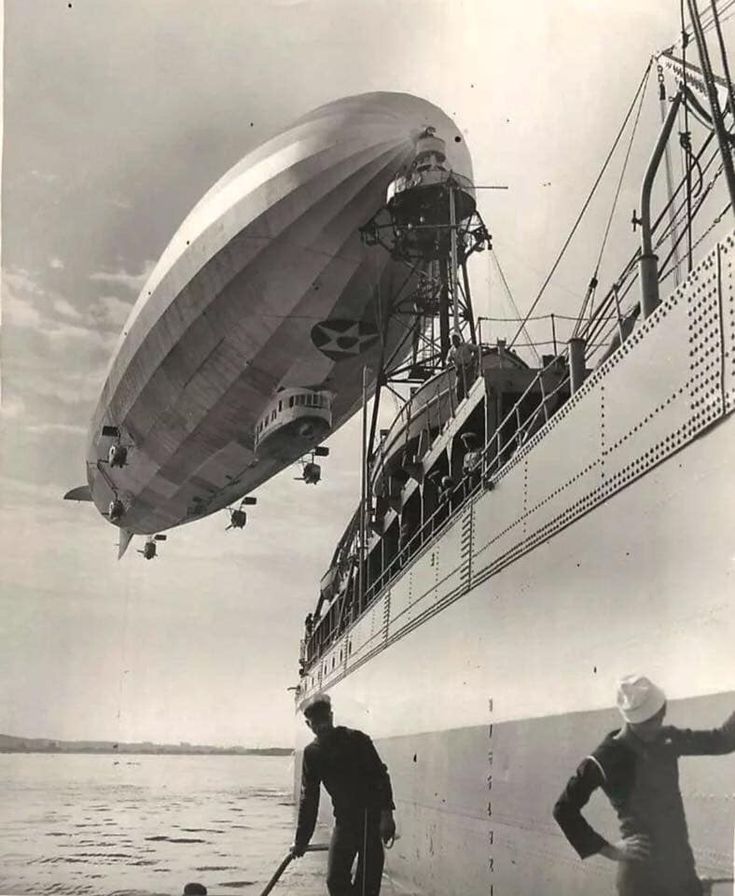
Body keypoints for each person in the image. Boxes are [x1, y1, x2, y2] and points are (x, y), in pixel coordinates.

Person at [553, 675, 735, 896]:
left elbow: (722, 740)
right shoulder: (604, 758)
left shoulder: (666, 738)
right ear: (634, 721)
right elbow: (564, 809)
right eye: (655, 720)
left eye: (661, 716)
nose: (660, 723)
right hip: (641, 880)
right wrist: (610, 850)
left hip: (681, 872)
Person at [290, 694, 396, 896]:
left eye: (325, 719)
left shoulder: (357, 740)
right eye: (316, 722)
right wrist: (301, 841)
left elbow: (381, 777)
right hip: (345, 823)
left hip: (370, 823)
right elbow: (309, 798)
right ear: (308, 724)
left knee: (368, 888)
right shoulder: (312, 754)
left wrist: (387, 816)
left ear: (331, 716)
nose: (322, 726)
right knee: (335, 881)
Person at [446, 333, 477, 402]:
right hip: (459, 370)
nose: (454, 342)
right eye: (452, 340)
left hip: (468, 367)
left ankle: (470, 400)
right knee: (458, 389)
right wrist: (449, 363)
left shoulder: (466, 346)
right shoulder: (452, 350)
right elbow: (448, 359)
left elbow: (477, 349)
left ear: (459, 340)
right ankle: (461, 402)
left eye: (455, 340)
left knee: (469, 385)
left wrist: (474, 359)